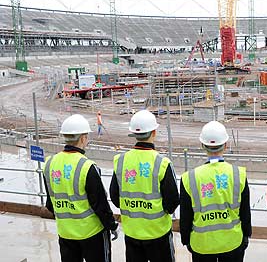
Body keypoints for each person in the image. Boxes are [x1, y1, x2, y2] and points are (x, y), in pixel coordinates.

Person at [43, 114, 118, 262]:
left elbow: (50, 203)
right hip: (92, 234)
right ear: (83, 138)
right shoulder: (87, 166)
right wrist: (111, 225)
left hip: (65, 233)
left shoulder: (49, 164)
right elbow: (100, 205)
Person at [110, 110, 179, 262]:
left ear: (133, 134)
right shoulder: (162, 163)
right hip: (158, 233)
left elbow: (115, 196)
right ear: (154, 132)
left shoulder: (121, 161)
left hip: (132, 232)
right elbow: (173, 201)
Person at [180, 121, 251, 262]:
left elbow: (186, 216)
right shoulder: (238, 175)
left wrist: (186, 240)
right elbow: (245, 212)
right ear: (225, 145)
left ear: (203, 145)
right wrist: (246, 235)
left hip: (202, 245)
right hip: (232, 243)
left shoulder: (190, 178)